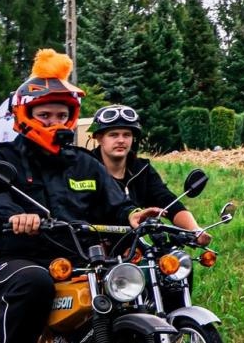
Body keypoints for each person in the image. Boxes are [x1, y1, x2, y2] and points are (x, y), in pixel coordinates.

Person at [0, 50, 159, 343]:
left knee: (118, 284)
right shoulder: (3, 158)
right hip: (11, 259)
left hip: (73, 261)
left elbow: (117, 202)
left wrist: (134, 216)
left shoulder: (84, 163)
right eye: (46, 115)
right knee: (34, 283)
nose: (55, 122)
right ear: (25, 116)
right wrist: (15, 217)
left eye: (61, 115)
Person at [86, 105, 210, 245]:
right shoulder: (85, 168)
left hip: (133, 247)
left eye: (127, 135)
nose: (121, 140)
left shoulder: (141, 169)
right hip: (90, 249)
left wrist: (196, 230)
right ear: (99, 138)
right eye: (113, 134)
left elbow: (167, 201)